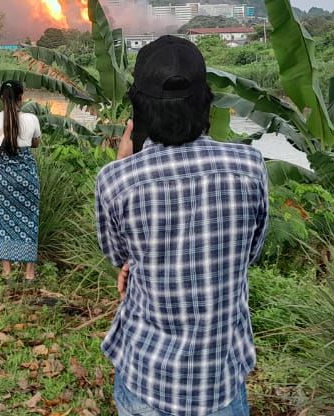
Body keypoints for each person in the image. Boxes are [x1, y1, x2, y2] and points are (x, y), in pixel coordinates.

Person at [95, 36, 269, 416]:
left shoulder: (115, 180)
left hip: (146, 380)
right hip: (220, 384)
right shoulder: (250, 167)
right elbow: (250, 253)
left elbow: (118, 256)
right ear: (205, 101)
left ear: (139, 109)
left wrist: (123, 160)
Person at [0, 80, 43, 280]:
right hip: (27, 176)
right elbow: (35, 143)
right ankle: (29, 273)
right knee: (30, 221)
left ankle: (7, 271)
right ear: (22, 97)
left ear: (1, 97)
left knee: (3, 221)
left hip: (4, 177)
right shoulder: (32, 119)